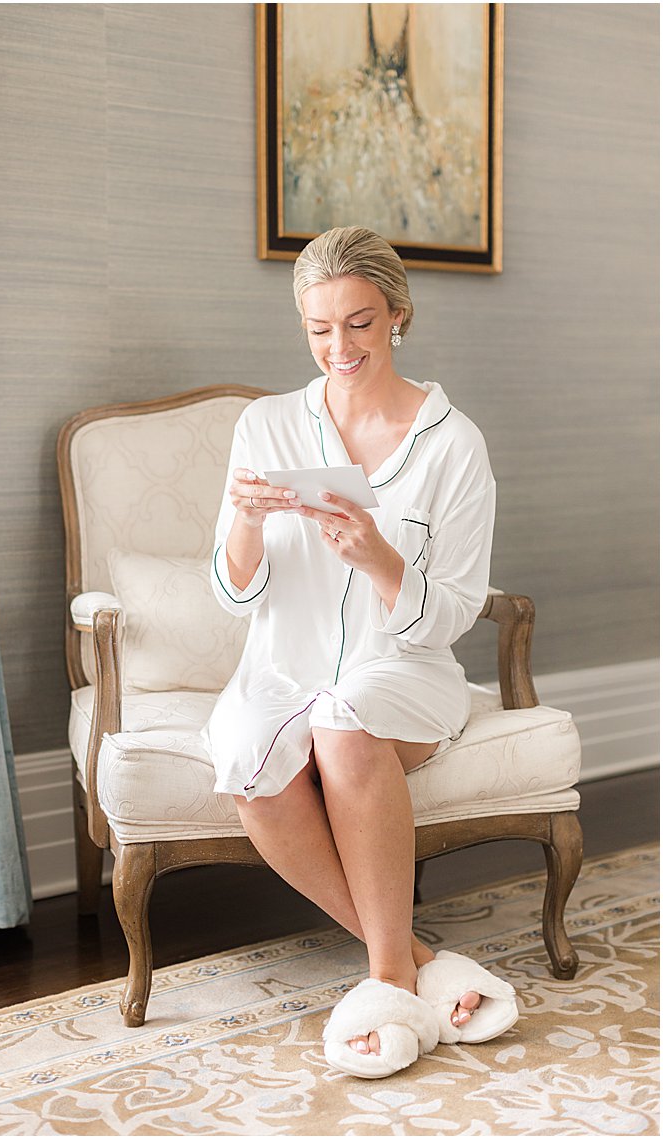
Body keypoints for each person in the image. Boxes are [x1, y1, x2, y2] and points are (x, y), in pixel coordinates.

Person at [200, 226, 517, 1079]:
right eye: (320, 328)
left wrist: (378, 556)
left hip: (405, 673)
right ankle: (415, 957)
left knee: (344, 722)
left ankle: (382, 979)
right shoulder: (265, 425)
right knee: (244, 757)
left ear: (399, 316)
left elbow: (450, 612)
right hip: (284, 664)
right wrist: (244, 518)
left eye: (361, 323)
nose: (340, 346)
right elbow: (234, 592)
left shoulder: (454, 445)